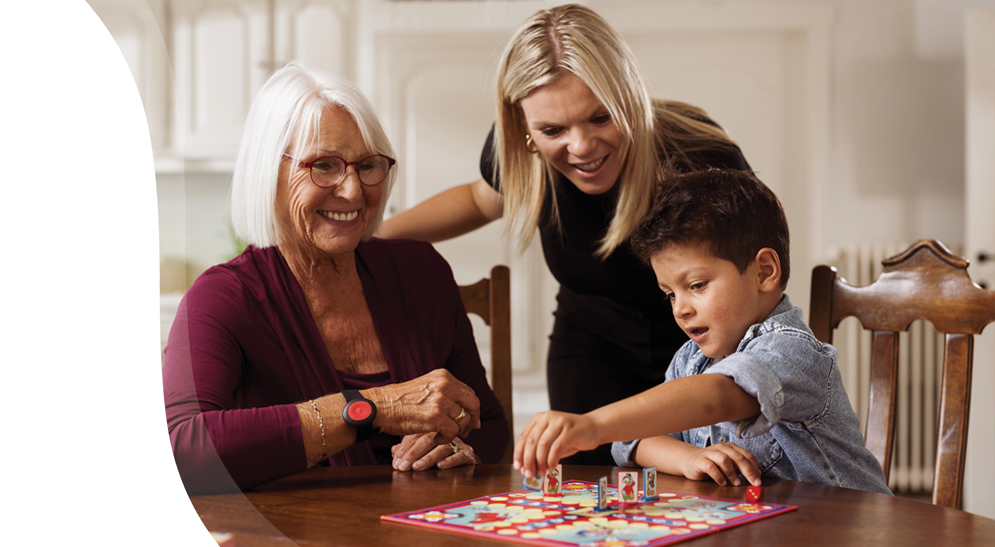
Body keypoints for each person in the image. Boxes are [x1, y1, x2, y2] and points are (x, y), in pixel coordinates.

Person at [379, 4, 750, 465]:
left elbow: (752, 280)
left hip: (702, 348)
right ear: (525, 129)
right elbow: (480, 200)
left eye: (600, 118)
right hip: (591, 346)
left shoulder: (702, 155)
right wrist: (370, 238)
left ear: (629, 98)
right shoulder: (520, 153)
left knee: (702, 489)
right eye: (553, 129)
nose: (580, 147)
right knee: (583, 494)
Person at [163, 63, 509, 494]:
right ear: (267, 173)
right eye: (323, 165)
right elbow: (179, 451)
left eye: (367, 165)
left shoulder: (423, 272)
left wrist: (459, 446)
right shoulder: (222, 297)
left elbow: (491, 425)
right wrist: (373, 407)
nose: (352, 190)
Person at [512, 168, 891, 495]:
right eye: (669, 294)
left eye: (696, 285)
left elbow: (721, 396)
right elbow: (633, 439)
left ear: (763, 272)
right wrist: (689, 458)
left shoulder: (792, 350)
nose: (681, 308)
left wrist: (593, 425)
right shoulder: (690, 359)